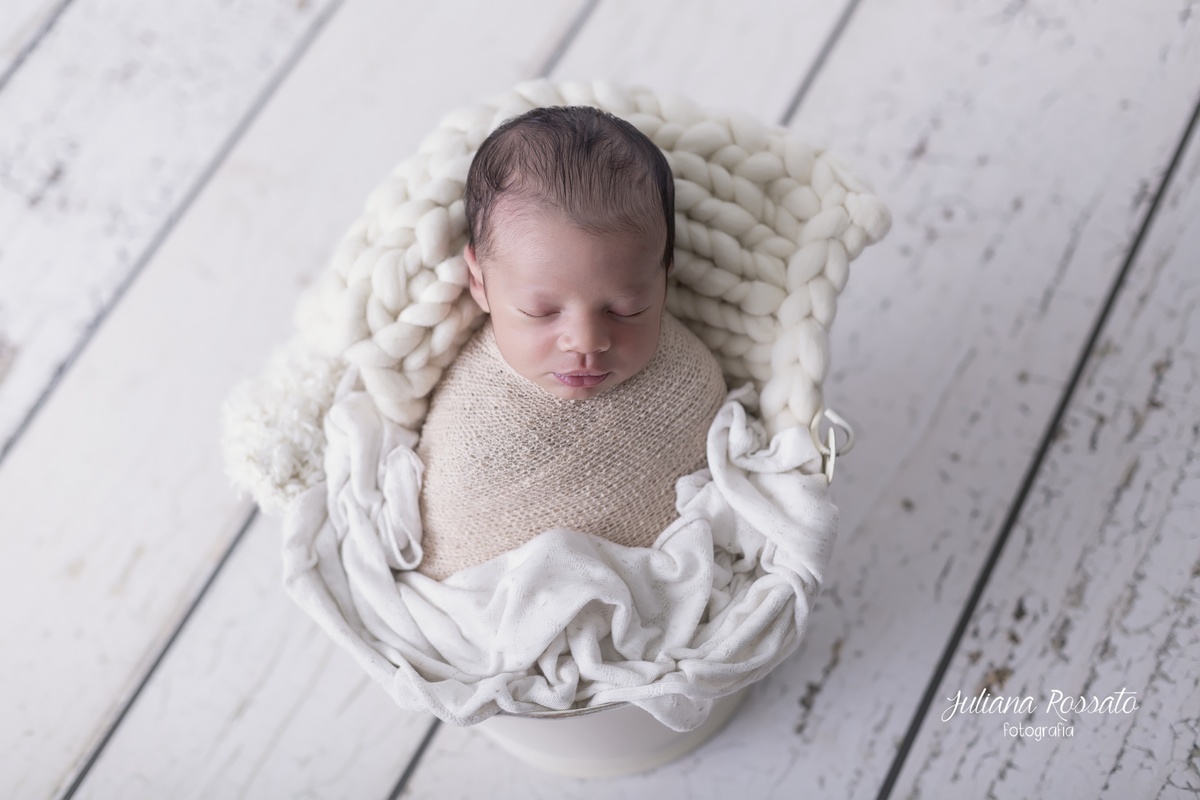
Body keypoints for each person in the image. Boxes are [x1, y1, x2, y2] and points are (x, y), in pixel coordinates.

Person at [414, 106, 727, 580]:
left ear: (664, 276)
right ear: (479, 283)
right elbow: (447, 516)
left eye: (626, 309)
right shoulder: (470, 404)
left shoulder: (689, 384)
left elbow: (722, 498)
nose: (588, 341)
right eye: (540, 312)